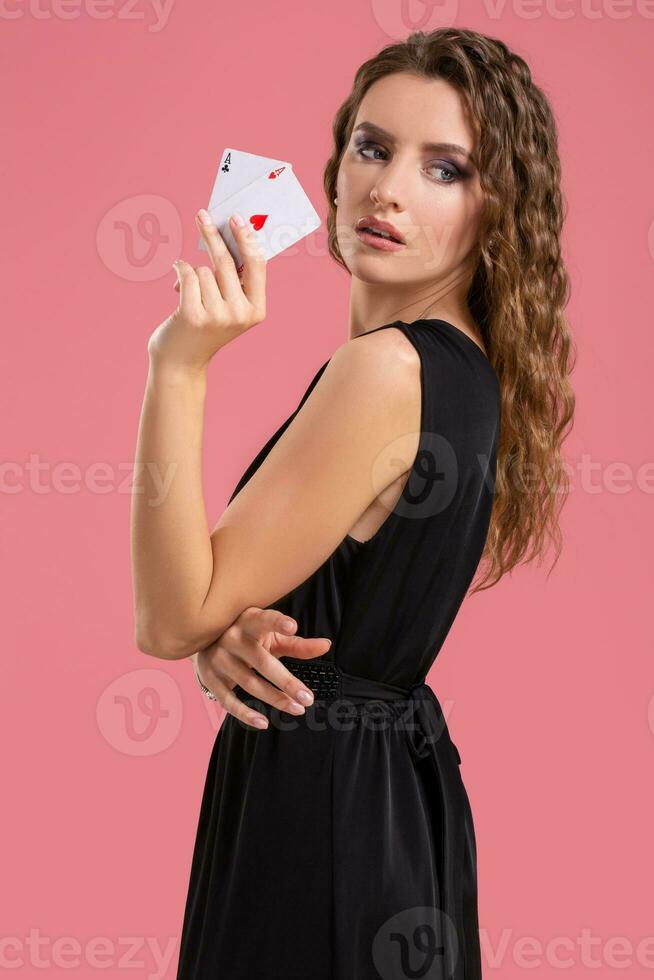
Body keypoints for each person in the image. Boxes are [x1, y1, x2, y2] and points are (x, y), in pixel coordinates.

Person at [130, 26, 576, 980]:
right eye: (373, 149)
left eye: (445, 169)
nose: (389, 189)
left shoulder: (384, 372)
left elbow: (167, 617)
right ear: (333, 170)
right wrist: (231, 627)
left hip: (320, 813)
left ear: (498, 210)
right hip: (386, 804)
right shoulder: (464, 375)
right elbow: (304, 613)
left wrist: (178, 367)